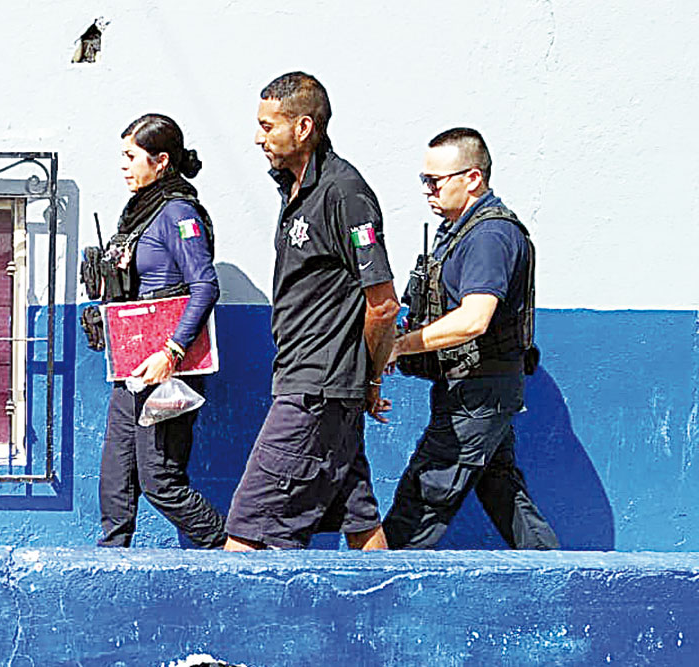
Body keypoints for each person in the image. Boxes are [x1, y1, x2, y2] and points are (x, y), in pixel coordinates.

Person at [223, 72, 400, 551]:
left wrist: (370, 377)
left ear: (303, 128)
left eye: (267, 126)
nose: (258, 137)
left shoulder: (344, 193)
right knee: (360, 524)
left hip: (315, 391)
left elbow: (382, 304)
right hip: (317, 386)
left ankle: (249, 628)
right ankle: (383, 624)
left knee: (247, 533)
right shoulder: (296, 190)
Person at [382, 127, 559, 550]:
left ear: (473, 178)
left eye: (435, 181)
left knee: (425, 496)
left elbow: (474, 319)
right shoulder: (461, 230)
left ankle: (376, 591)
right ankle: (559, 580)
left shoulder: (488, 236)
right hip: (474, 387)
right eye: (423, 180)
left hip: (478, 391)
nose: (427, 190)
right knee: (502, 491)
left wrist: (400, 345)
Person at [96, 114, 226, 548]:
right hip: (131, 362)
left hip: (167, 367)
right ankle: (111, 558)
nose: (123, 165)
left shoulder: (177, 213)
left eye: (131, 156)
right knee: (116, 474)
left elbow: (205, 286)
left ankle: (228, 548)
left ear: (161, 161)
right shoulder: (140, 214)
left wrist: (171, 351)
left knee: (160, 479)